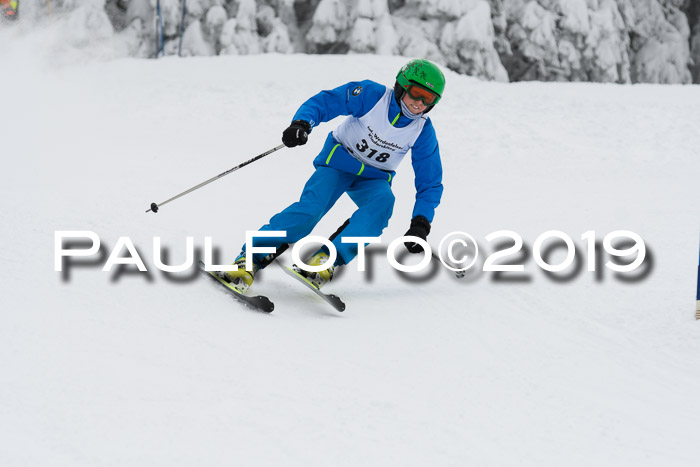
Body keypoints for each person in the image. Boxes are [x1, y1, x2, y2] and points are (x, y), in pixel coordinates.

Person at [223, 58, 446, 292]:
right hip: (338, 163)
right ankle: (248, 261)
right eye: (416, 93)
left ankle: (323, 262)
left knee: (382, 204)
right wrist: (301, 123)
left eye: (428, 99)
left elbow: (430, 181)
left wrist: (421, 223)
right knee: (310, 211)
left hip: (374, 178)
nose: (419, 103)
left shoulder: (422, 131)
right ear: (402, 86)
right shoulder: (373, 96)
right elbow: (329, 101)